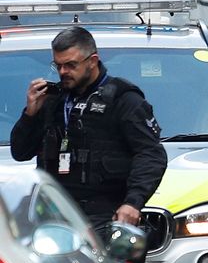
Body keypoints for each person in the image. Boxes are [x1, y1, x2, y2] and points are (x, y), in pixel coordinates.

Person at [10, 26, 167, 231]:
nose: (63, 72)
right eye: (58, 66)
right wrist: (30, 115)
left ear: (92, 61)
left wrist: (133, 203)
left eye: (70, 65)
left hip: (105, 216)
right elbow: (20, 152)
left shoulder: (123, 99)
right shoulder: (52, 100)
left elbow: (150, 153)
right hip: (54, 216)